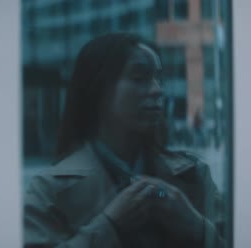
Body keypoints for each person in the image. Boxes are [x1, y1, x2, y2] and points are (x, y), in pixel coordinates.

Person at [24, 33, 225, 248]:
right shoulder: (48, 191)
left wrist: (194, 225)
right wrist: (109, 225)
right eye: (139, 78)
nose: (158, 90)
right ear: (98, 90)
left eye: (158, 78)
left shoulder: (195, 175)